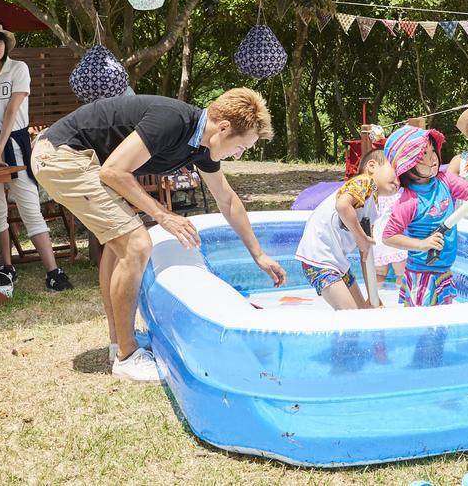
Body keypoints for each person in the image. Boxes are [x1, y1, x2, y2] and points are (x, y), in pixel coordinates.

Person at [32, 88, 286, 382]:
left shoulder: (202, 148)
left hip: (76, 157)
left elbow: (227, 200)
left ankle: (119, 343)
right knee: (137, 244)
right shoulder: (173, 120)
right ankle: (127, 358)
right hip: (62, 155)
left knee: (120, 245)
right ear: (224, 128)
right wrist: (163, 215)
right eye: (241, 146)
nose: (239, 154)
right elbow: (114, 171)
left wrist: (259, 254)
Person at [0, 21, 71, 293]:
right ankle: (6, 268)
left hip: (15, 141)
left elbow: (12, 112)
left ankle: (53, 271)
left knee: (29, 205)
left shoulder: (18, 69)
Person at [381, 125, 468, 307]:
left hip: (443, 271)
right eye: (424, 154)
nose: (432, 157)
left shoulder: (445, 180)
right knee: (422, 330)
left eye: (433, 150)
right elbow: (388, 236)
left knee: (441, 329)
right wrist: (422, 244)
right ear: (408, 165)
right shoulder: (409, 200)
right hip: (421, 274)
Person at [294, 148, 399, 310]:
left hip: (337, 263)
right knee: (351, 318)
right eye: (396, 171)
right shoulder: (364, 182)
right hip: (320, 259)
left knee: (363, 313)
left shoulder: (372, 208)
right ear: (372, 166)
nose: (399, 181)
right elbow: (343, 205)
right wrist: (360, 237)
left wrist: (373, 297)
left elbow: (367, 255)